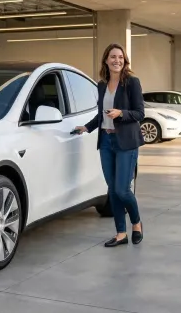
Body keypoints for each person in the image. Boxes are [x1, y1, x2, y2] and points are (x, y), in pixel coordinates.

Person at [74, 43, 145, 247]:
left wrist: (121, 113)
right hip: (106, 141)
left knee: (123, 190)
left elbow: (140, 113)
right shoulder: (102, 85)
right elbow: (101, 115)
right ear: (106, 60)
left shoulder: (132, 82)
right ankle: (121, 233)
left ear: (125, 60)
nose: (117, 60)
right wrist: (87, 127)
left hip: (126, 142)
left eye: (120, 57)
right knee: (112, 190)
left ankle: (136, 223)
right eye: (113, 57)